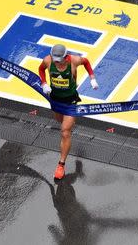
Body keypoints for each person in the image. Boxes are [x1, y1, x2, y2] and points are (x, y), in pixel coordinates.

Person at [39, 44, 99, 180]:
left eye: (58, 60)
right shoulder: (48, 60)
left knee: (65, 131)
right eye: (54, 59)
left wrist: (92, 78)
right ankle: (70, 123)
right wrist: (43, 83)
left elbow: (86, 62)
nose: (56, 62)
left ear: (66, 57)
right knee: (60, 122)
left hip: (70, 102)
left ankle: (61, 165)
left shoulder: (74, 61)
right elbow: (41, 69)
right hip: (55, 100)